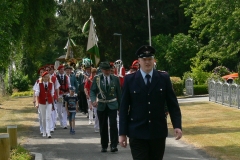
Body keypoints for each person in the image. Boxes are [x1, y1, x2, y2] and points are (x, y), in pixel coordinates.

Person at [119, 45, 182, 160]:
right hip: (137, 132)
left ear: (154, 60)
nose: (147, 62)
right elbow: (123, 108)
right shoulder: (130, 80)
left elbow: (172, 104)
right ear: (139, 61)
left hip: (157, 131)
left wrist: (177, 125)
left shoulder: (163, 78)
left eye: (150, 59)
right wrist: (122, 133)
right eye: (144, 59)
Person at [90, 62, 121, 153]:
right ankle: (104, 145)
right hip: (102, 104)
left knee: (113, 125)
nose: (108, 71)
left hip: (112, 104)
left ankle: (114, 145)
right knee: (103, 126)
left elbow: (119, 93)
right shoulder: (97, 79)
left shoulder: (115, 79)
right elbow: (92, 91)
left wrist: (120, 106)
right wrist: (93, 100)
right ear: (102, 70)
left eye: (109, 70)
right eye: (106, 70)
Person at [35, 71, 54, 138]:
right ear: (42, 78)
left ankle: (48, 132)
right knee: (43, 118)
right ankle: (44, 131)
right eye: (44, 77)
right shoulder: (39, 84)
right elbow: (37, 93)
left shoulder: (51, 84)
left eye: (47, 77)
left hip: (49, 102)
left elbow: (52, 94)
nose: (46, 78)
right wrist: (37, 102)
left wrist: (52, 103)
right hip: (42, 102)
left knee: (48, 117)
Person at [55, 65, 71, 129]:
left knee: (65, 109)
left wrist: (69, 92)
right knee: (59, 110)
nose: (62, 71)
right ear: (59, 71)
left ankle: (64, 123)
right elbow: (56, 86)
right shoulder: (56, 77)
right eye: (60, 70)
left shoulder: (67, 77)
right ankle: (61, 121)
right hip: (59, 95)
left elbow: (69, 85)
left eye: (62, 69)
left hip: (66, 94)